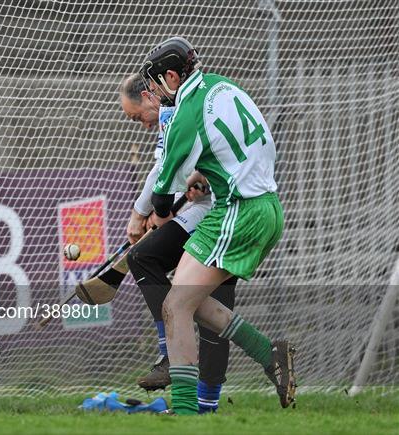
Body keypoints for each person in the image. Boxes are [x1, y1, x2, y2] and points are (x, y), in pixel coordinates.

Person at [140, 37, 296, 415]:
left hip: (239, 212)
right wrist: (206, 174)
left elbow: (162, 197)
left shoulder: (185, 112)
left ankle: (185, 411)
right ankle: (268, 351)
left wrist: (157, 215)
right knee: (185, 298)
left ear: (173, 76)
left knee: (176, 304)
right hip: (267, 205)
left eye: (159, 83)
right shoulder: (223, 85)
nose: (157, 93)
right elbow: (243, 146)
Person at [120, 73, 237, 414]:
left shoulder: (173, 110)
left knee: (146, 259)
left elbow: (162, 169)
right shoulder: (182, 107)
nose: (141, 125)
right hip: (208, 205)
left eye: (137, 116)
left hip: (224, 212)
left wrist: (140, 213)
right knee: (212, 303)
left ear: (149, 95)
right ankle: (197, 397)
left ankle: (195, 390)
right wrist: (169, 205)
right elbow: (181, 170)